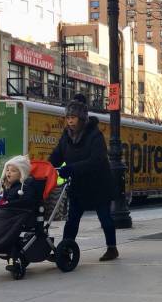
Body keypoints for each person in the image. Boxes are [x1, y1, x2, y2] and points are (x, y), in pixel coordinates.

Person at [49, 94, 119, 261]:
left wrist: (71, 168)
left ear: (81, 118)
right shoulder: (66, 136)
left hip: (98, 184)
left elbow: (96, 160)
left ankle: (112, 248)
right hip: (78, 185)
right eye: (68, 117)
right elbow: (56, 156)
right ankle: (66, 248)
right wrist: (47, 168)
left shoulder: (94, 135)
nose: (70, 121)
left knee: (105, 218)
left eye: (73, 117)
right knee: (72, 219)